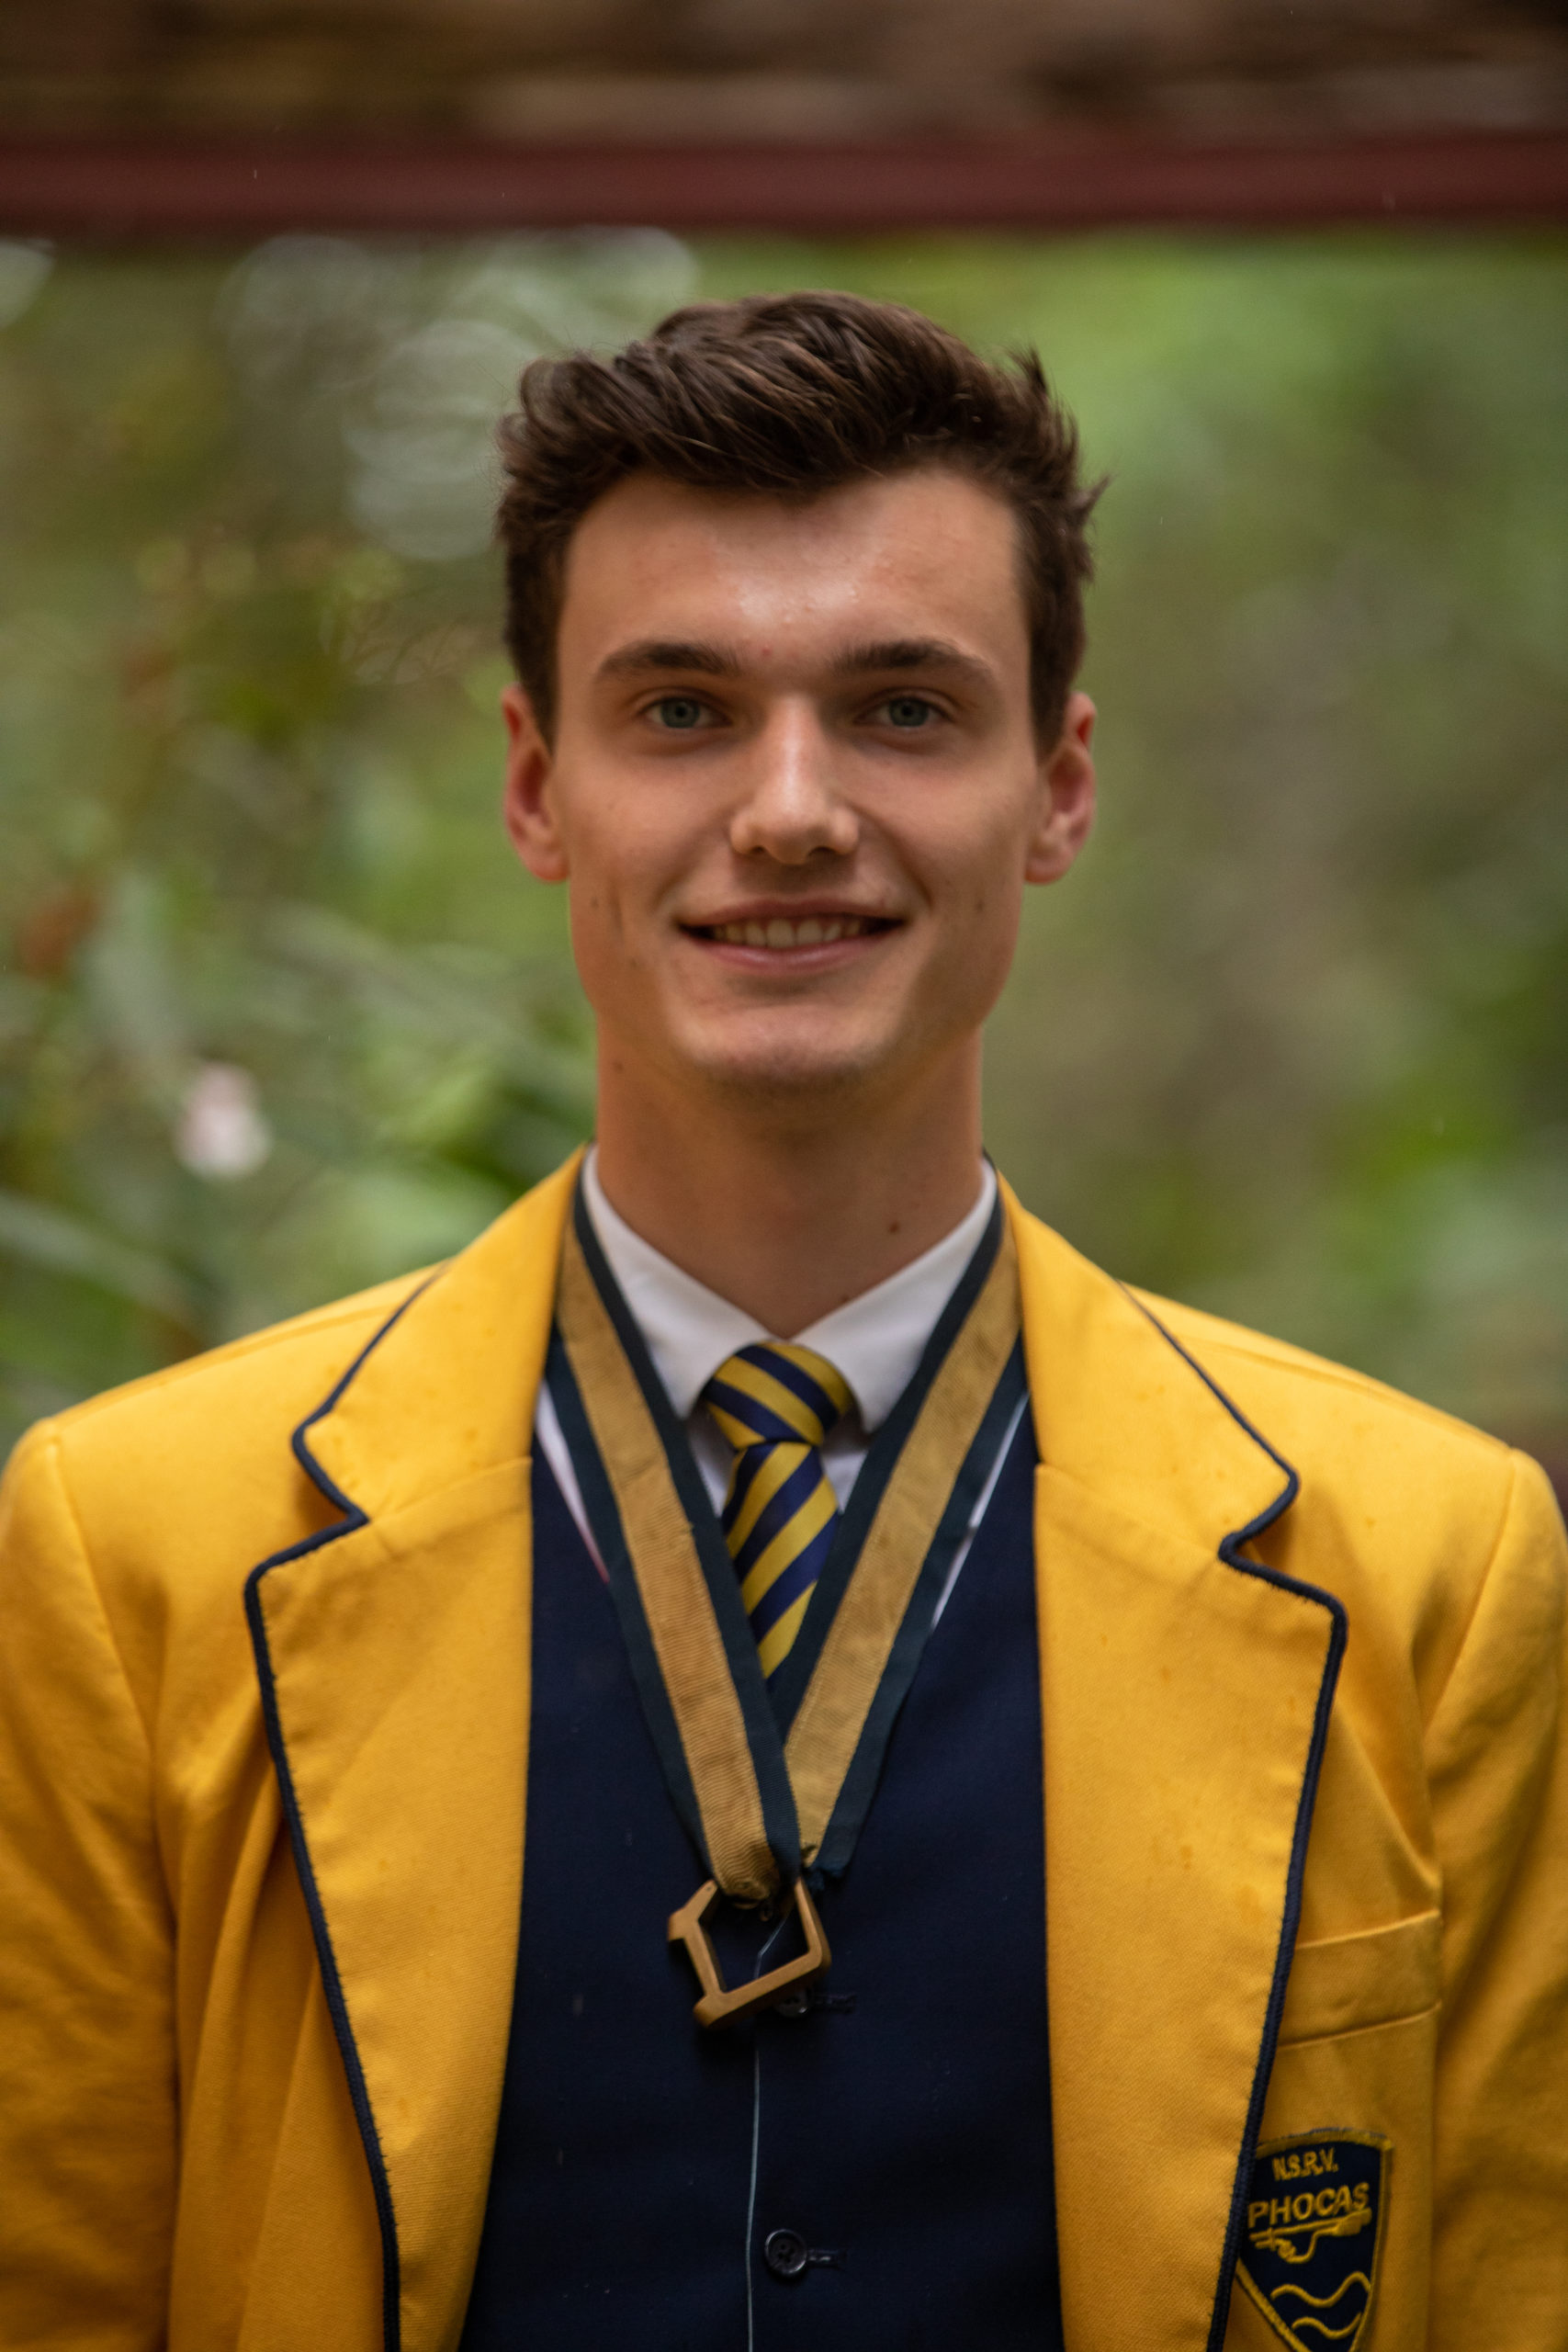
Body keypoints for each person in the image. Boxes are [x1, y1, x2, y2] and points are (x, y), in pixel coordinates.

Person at [1, 291, 1563, 2352]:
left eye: (903, 707)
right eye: (682, 711)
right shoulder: (136, 1555)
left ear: (1057, 788)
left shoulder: (1426, 1568)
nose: (792, 808)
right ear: (537, 786)